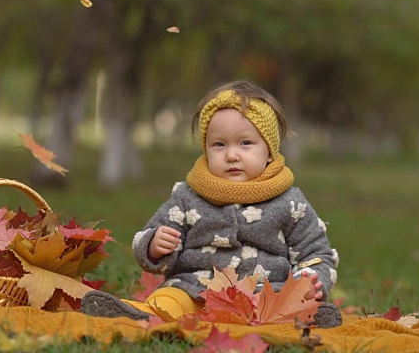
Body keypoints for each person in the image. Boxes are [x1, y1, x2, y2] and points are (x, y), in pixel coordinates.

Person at [81, 80, 341, 328]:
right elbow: (145, 242)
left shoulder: (289, 201)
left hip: (264, 295)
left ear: (270, 150)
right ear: (206, 149)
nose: (231, 155)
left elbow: (316, 252)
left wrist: (310, 280)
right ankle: (142, 315)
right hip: (196, 291)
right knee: (170, 300)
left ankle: (305, 317)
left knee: (286, 305)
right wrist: (154, 245)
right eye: (219, 144)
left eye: (246, 143)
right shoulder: (188, 197)